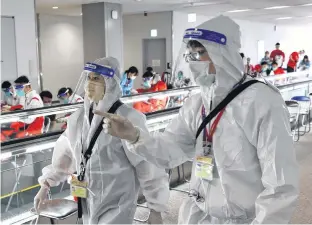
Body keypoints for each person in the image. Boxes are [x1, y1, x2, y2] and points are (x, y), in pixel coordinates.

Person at [96, 15, 299, 224]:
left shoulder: (261, 102)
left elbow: (280, 183)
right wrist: (136, 136)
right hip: (199, 214)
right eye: (191, 55)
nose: (195, 61)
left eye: (202, 53)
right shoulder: (197, 104)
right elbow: (171, 150)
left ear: (224, 54)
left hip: (244, 219)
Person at [34, 57, 169, 224]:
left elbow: (147, 165)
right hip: (87, 201)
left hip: (118, 204)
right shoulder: (77, 120)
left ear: (110, 82)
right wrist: (46, 184)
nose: (90, 83)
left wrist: (156, 207)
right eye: (89, 77)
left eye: (97, 78)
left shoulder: (127, 118)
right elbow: (65, 155)